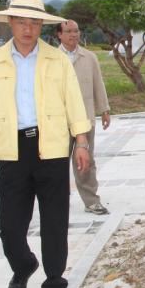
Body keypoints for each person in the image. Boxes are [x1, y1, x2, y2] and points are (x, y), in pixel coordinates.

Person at [0, 0, 91, 288]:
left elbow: (74, 102)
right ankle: (23, 264)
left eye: (34, 23)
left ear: (41, 26)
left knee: (55, 221)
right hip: (12, 150)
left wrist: (81, 142)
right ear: (10, 22)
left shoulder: (57, 60)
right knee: (9, 223)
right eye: (21, 22)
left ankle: (55, 283)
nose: (28, 29)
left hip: (51, 148)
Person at [56, 19, 112, 216]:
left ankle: (91, 201)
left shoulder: (89, 57)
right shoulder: (52, 59)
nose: (74, 35)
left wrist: (104, 109)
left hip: (85, 118)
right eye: (69, 31)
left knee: (86, 162)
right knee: (55, 163)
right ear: (59, 35)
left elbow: (99, 84)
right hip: (58, 122)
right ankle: (56, 201)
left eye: (76, 31)